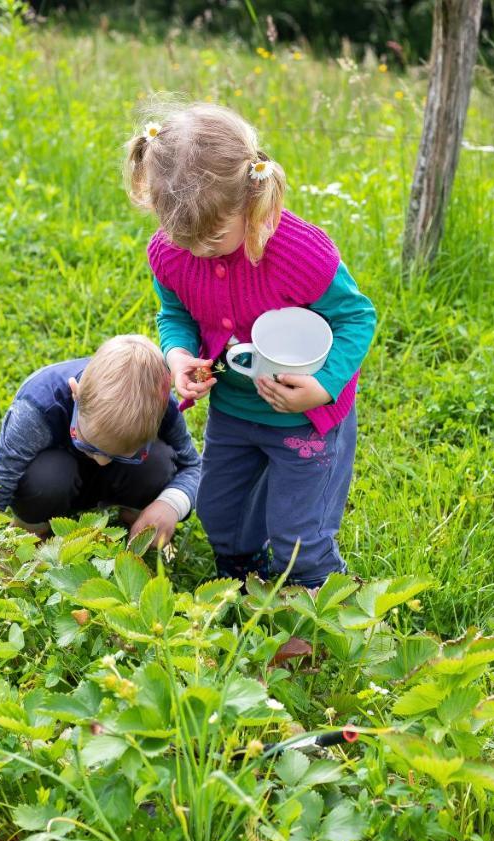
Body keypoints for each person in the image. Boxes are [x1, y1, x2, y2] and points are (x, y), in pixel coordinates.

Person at [124, 102, 377, 588]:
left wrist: (323, 387)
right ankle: (244, 582)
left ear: (251, 202)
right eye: (183, 238)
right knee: (221, 513)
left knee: (298, 534)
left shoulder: (299, 251)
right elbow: (174, 313)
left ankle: (319, 604)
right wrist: (178, 356)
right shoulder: (170, 253)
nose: (198, 250)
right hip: (235, 409)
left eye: (213, 237)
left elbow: (356, 319)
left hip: (306, 417)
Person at [0, 335, 201, 545]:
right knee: (46, 477)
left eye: (125, 454)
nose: (102, 461)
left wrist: (170, 504)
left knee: (158, 463)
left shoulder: (161, 408)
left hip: (120, 481)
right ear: (75, 394)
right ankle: (31, 529)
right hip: (56, 479)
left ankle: (139, 521)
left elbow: (193, 466)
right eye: (88, 444)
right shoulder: (38, 408)